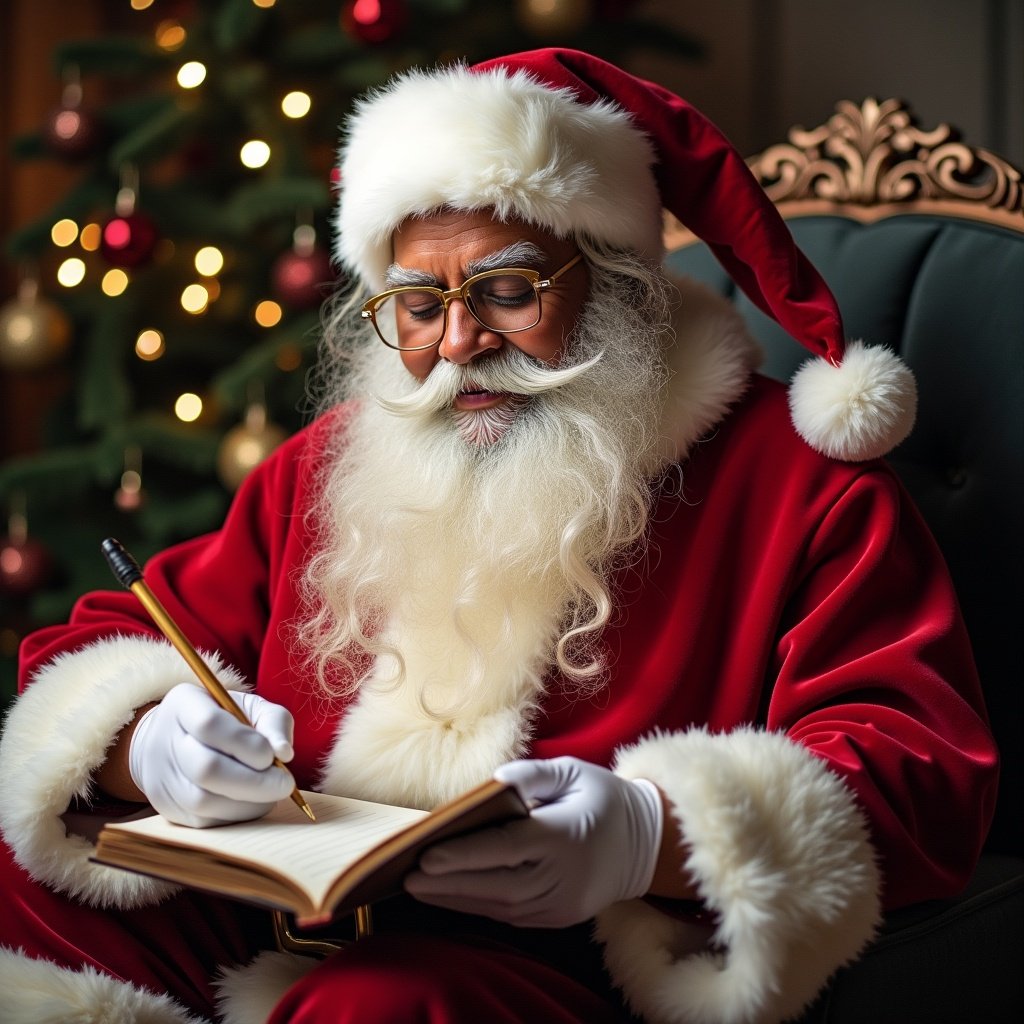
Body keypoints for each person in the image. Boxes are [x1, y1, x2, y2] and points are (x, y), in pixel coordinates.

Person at [0, 48, 997, 1024]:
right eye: (419, 305)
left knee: (378, 1005)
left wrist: (652, 835)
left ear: (617, 283)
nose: (458, 342)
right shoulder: (327, 463)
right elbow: (108, 640)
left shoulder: (799, 482)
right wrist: (148, 741)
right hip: (273, 922)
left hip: (565, 966)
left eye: (508, 291)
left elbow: (920, 769)